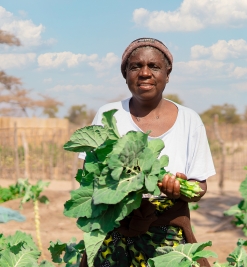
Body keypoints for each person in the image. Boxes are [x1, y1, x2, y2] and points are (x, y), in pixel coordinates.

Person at [79, 38, 216, 267]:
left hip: (168, 238)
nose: (144, 73)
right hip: (115, 232)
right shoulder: (108, 115)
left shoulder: (189, 119)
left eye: (154, 66)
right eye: (135, 66)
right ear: (125, 74)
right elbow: (89, 177)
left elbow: (200, 185)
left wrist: (180, 190)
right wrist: (125, 185)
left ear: (167, 73)